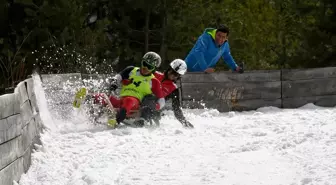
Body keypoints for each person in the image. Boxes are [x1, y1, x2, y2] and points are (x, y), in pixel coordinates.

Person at [92, 51, 165, 125]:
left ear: (154, 69)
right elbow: (118, 77)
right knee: (102, 97)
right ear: (142, 62)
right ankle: (86, 104)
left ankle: (116, 121)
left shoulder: (154, 81)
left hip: (134, 106)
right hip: (121, 101)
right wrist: (114, 82)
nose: (145, 68)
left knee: (129, 100)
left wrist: (153, 107)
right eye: (144, 64)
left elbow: (162, 101)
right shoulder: (131, 70)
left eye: (149, 67)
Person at [138, 59, 194, 128]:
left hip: (153, 108)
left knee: (151, 97)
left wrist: (184, 122)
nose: (172, 75)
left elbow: (176, 108)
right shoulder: (155, 74)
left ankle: (142, 121)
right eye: (172, 71)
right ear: (169, 69)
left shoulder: (174, 89)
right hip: (140, 98)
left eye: (176, 74)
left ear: (178, 76)